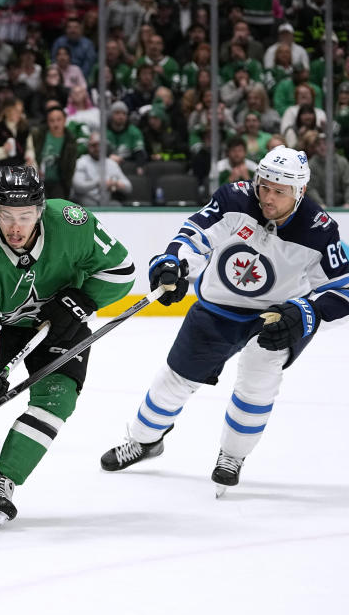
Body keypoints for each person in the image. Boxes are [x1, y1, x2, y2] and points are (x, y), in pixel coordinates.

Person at [100, 146, 349, 494]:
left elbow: (343, 288)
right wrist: (174, 262)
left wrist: (310, 312)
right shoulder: (235, 198)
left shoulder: (319, 228)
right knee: (173, 381)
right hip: (217, 309)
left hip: (275, 317)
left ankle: (232, 456)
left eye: (280, 191)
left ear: (300, 191)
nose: (268, 197)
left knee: (257, 385)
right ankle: (144, 442)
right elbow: (196, 235)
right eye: (265, 185)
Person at [0, 165, 135, 529]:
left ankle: (3, 481)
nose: (15, 227)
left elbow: (122, 271)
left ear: (40, 210)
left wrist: (81, 300)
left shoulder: (72, 222)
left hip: (62, 326)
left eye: (24, 216)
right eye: (6, 216)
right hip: (2, 327)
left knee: (57, 397)